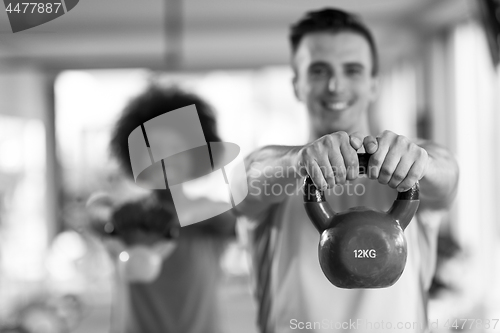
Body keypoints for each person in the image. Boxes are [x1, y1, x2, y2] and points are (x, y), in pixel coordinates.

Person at [234, 8, 459, 333]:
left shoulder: (410, 166)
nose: (335, 85)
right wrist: (299, 161)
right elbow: (243, 183)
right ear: (297, 85)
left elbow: (448, 173)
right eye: (318, 71)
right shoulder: (278, 176)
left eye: (352, 70)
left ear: (373, 85)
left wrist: (422, 163)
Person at [94, 86, 236, 333]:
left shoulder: (211, 216)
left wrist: (173, 217)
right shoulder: (125, 218)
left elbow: (233, 219)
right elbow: (94, 212)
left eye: (175, 148)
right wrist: (116, 218)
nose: (163, 157)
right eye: (152, 148)